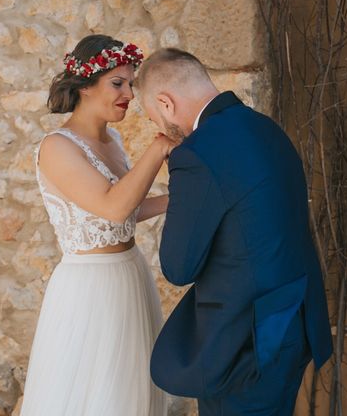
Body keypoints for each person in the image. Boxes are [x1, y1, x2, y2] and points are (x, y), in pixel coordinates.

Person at [135, 48, 333, 415]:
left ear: (165, 103)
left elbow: (179, 267)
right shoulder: (266, 127)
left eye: (153, 118)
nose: (161, 130)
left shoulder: (196, 153)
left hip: (246, 345)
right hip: (295, 319)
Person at [20, 35, 172, 416]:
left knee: (128, 390)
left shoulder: (113, 139)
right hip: (90, 289)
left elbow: (130, 211)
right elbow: (114, 207)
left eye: (130, 84)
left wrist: (178, 199)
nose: (129, 95)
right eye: (117, 83)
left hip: (130, 274)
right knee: (93, 393)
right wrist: (158, 148)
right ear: (85, 85)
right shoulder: (57, 147)